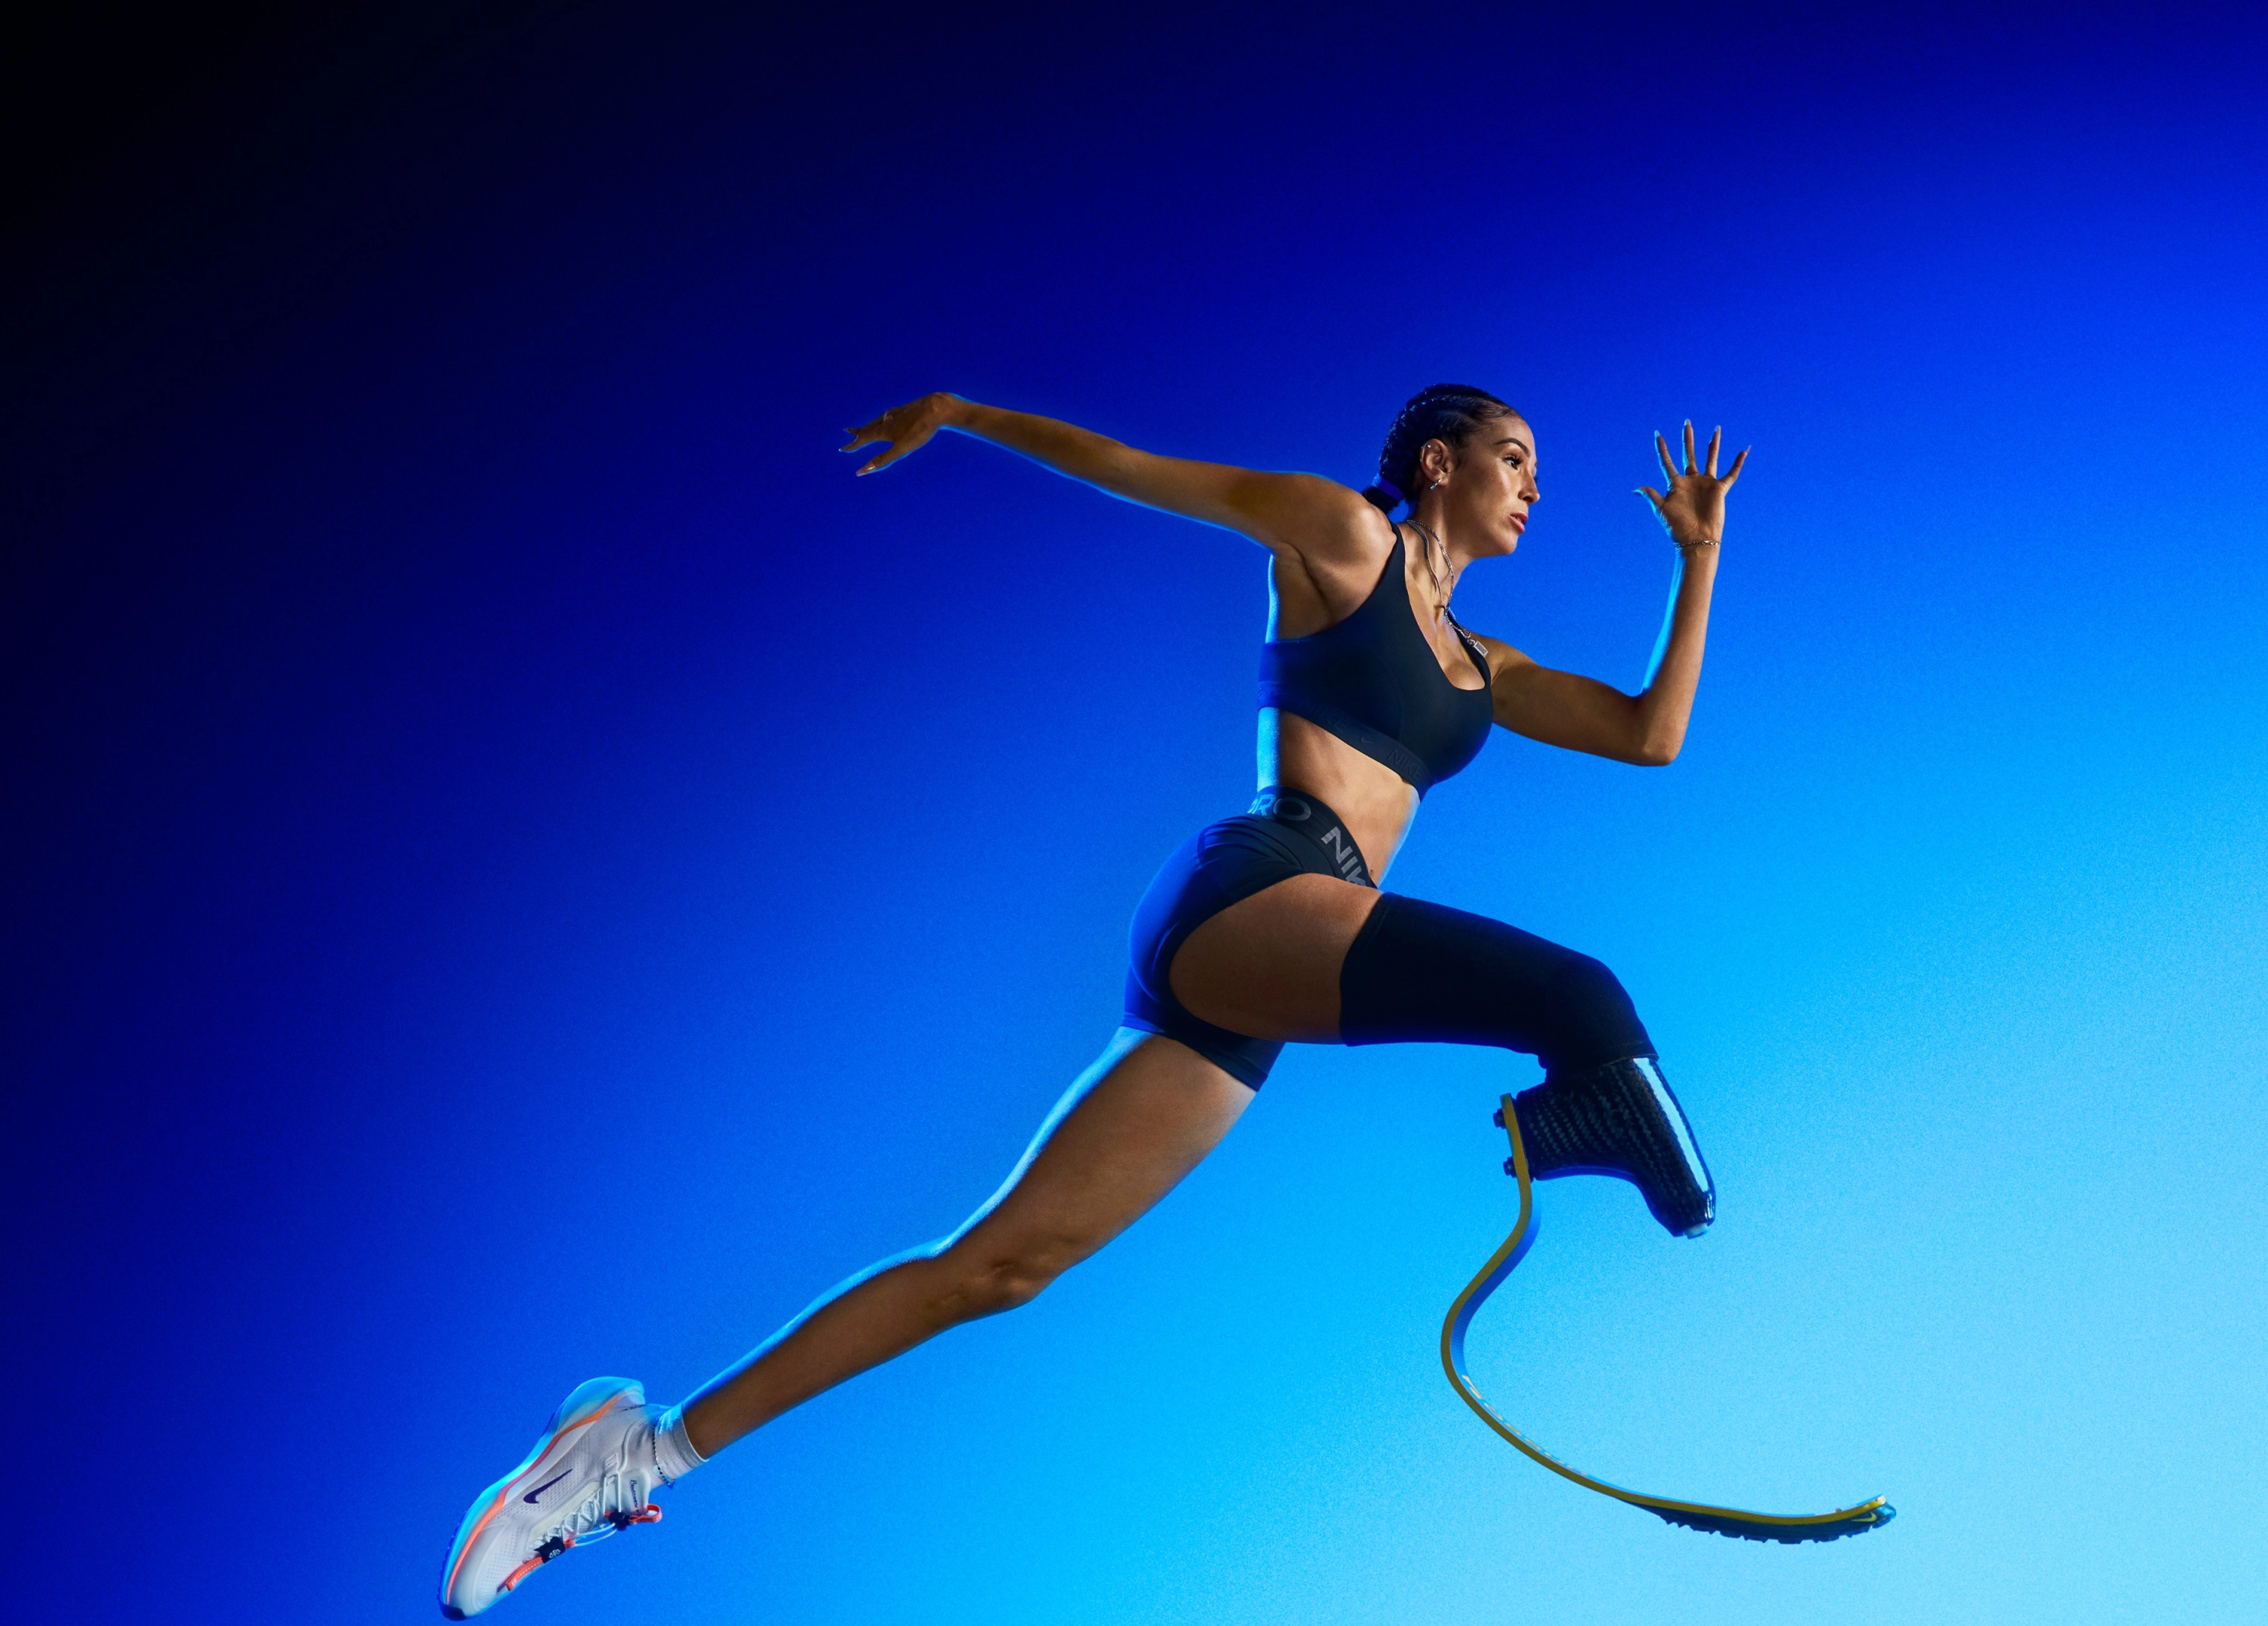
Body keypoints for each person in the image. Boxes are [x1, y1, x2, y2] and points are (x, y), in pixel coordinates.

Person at [440, 384, 1747, 1616]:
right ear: (1439, 462)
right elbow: (1137, 470)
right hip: (1261, 887)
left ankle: (635, 1451)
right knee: (1579, 998)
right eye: (1515, 459)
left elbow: (1652, 735)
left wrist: (1697, 556)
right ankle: (1591, 1127)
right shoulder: (1343, 536)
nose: (1534, 486)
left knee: (1000, 1269)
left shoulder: (1484, 665)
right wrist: (964, 413)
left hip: (1278, 970)